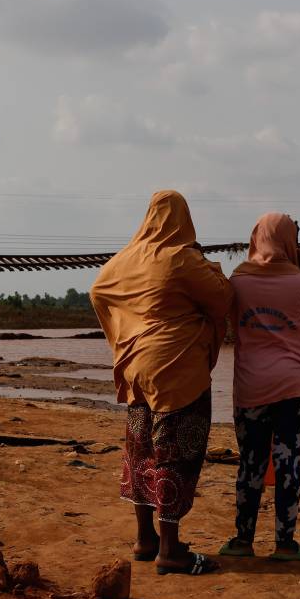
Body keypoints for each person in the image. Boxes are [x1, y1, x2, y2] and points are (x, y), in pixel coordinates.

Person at [90, 190, 230, 576]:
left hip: (136, 368)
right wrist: (209, 264)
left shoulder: (125, 258)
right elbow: (222, 299)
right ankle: (170, 550)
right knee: (174, 454)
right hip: (176, 367)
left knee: (141, 453)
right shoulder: (182, 258)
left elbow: (98, 291)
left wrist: (124, 334)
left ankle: (144, 539)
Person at [220, 213, 300, 563]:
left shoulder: (238, 282)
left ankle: (242, 540)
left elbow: (227, 317)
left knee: (250, 463)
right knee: (288, 462)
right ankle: (284, 544)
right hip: (295, 386)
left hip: (251, 385)